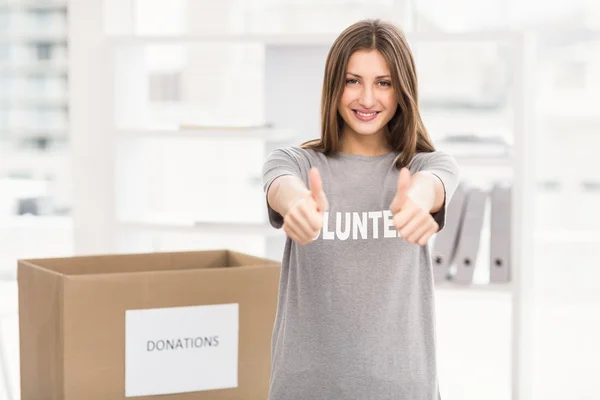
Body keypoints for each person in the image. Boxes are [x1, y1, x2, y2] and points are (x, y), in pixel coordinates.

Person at [261, 18, 459, 400]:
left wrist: (417, 201)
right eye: (353, 81)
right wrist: (297, 204)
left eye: (383, 83)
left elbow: (435, 183)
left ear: (402, 91)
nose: (367, 99)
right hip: (305, 389)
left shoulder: (423, 166)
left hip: (403, 389)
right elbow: (280, 184)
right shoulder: (296, 162)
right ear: (334, 87)